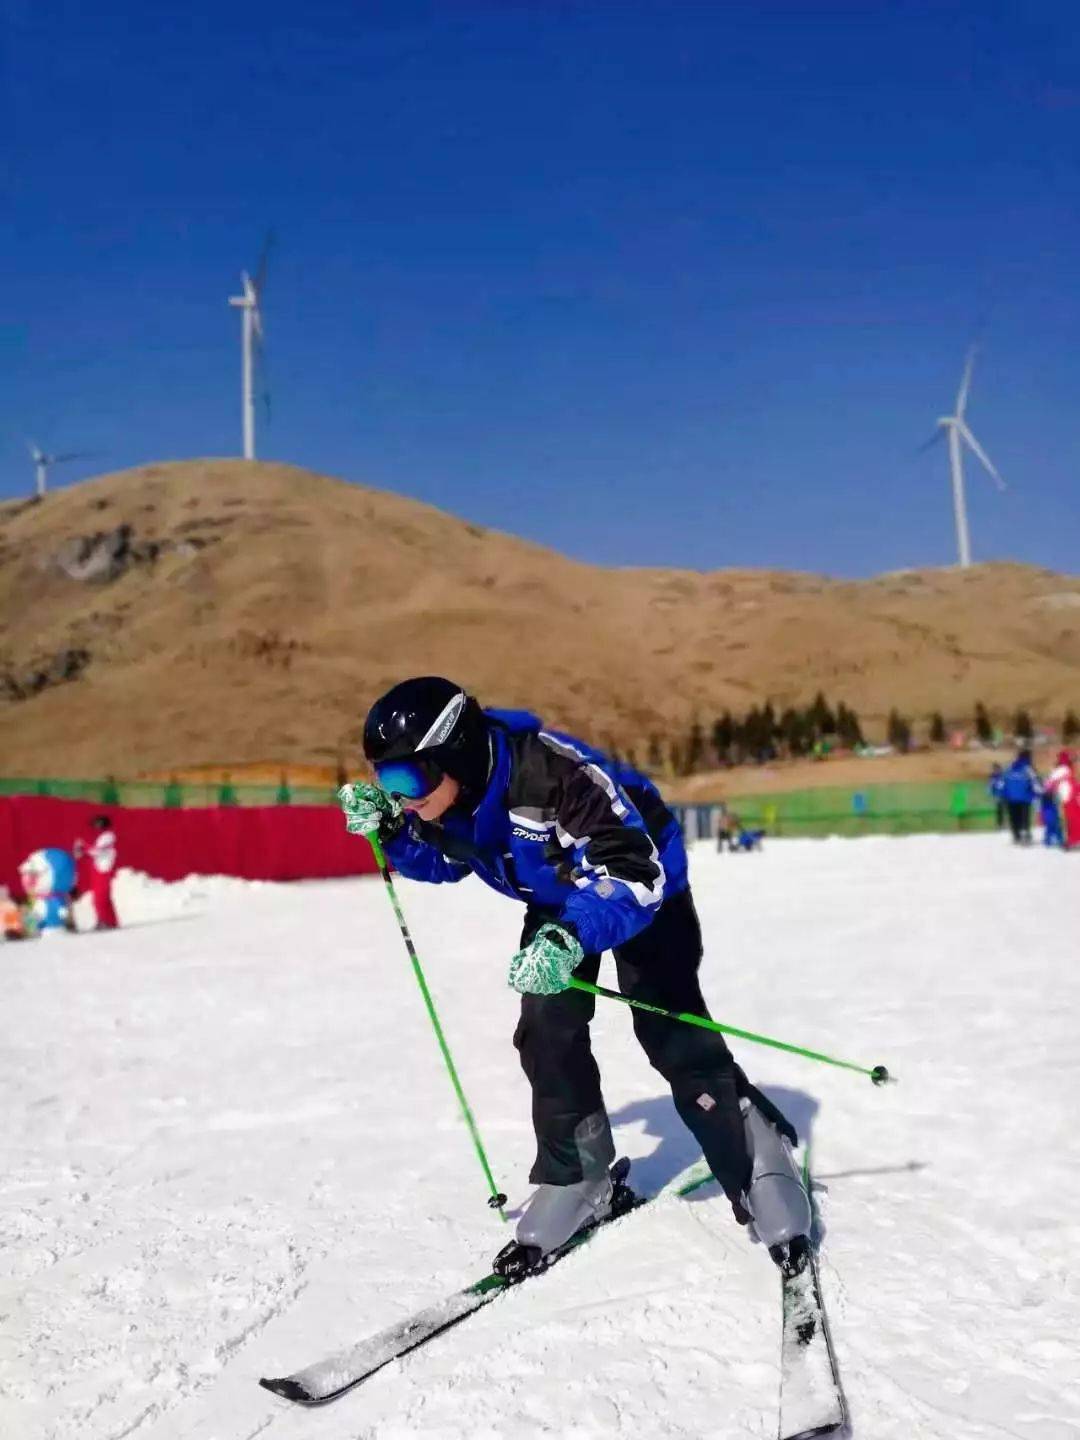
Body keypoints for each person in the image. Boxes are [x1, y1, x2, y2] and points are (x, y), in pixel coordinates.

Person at [339, 677, 808, 1275]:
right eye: (385, 781)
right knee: (545, 1023)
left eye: (408, 780)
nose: (401, 794)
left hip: (642, 891)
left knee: (666, 1023)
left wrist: (572, 937)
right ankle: (579, 1175)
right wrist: (393, 830)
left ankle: (753, 1149)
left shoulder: (556, 777)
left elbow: (637, 872)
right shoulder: (452, 795)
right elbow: (445, 860)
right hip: (557, 899)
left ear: (452, 754)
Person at [75, 815, 119, 929]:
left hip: (103, 870)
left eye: (97, 823)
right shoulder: (103, 836)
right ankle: (108, 921)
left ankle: (106, 921)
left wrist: (83, 848)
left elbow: (98, 851)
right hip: (98, 869)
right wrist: (83, 851)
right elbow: (95, 853)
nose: (95, 826)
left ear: (103, 823)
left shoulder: (108, 836)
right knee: (101, 897)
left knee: (100, 898)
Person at [1043, 750, 1080, 851]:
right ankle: (1069, 840)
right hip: (1067, 797)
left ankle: (1068, 840)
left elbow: (1048, 784)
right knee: (1069, 819)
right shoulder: (1065, 770)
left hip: (1064, 797)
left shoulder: (1061, 769)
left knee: (1067, 820)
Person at [1000, 750, 1039, 845]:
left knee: (1014, 817)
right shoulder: (1028, 769)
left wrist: (1002, 794)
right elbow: (1035, 782)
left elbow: (1001, 783)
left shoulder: (1008, 768)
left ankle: (1016, 835)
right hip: (1024, 797)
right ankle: (1025, 835)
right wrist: (1037, 794)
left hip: (1010, 798)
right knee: (1024, 817)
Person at [988, 764, 1006, 830]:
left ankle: (1003, 824)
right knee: (999, 810)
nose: (996, 770)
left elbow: (1005, 785)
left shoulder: (1003, 776)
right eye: (994, 769)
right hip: (998, 796)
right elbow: (990, 786)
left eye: (997, 769)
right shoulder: (992, 777)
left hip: (1005, 795)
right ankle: (1000, 824)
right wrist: (992, 795)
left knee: (1004, 810)